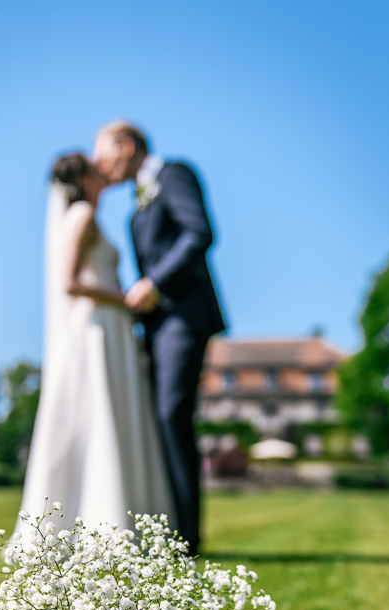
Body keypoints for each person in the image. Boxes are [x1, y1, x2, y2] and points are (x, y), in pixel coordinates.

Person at [12, 153, 176, 537]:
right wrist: (124, 300)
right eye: (93, 167)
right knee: (100, 413)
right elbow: (69, 282)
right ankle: (105, 517)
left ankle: (111, 512)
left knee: (109, 414)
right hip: (99, 326)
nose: (103, 170)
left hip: (109, 325)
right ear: (83, 179)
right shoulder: (82, 215)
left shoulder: (87, 216)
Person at [93, 122, 226, 555]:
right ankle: (168, 528)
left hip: (185, 318)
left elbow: (199, 233)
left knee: (172, 415)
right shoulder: (138, 198)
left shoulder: (173, 174)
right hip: (158, 325)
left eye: (105, 155)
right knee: (158, 420)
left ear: (127, 147)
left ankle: (187, 536)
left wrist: (155, 283)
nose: (101, 165)